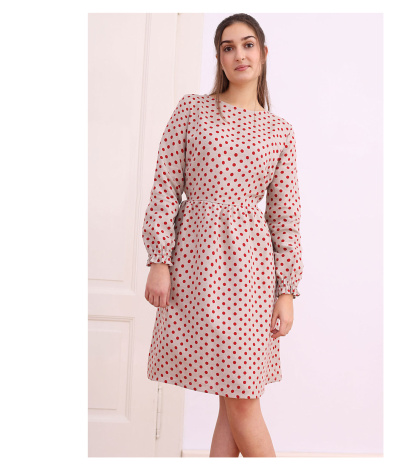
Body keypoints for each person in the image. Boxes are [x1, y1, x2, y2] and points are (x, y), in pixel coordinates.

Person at [142, 13, 304, 458]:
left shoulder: (280, 132)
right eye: (228, 47)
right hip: (197, 267)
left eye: (248, 45)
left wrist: (286, 292)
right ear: (218, 57)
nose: (239, 55)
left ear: (263, 53)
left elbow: (285, 217)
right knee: (231, 398)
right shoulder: (193, 110)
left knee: (241, 399)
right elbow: (165, 186)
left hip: (251, 276)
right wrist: (159, 260)